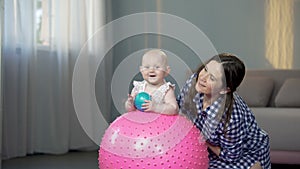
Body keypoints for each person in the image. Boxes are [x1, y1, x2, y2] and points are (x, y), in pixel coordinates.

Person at [177, 53, 271, 169]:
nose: (202, 78)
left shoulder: (231, 117)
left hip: (243, 153)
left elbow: (231, 156)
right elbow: (179, 107)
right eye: (205, 69)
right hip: (209, 146)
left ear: (224, 90)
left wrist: (201, 139)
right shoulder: (195, 81)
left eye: (212, 78)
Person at [125, 49, 178, 115]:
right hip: (139, 122)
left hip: (158, 123)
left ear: (167, 70)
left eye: (157, 67)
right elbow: (131, 110)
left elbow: (174, 109)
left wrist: (156, 107)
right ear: (141, 70)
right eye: (147, 67)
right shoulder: (138, 87)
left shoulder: (166, 89)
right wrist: (130, 104)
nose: (151, 70)